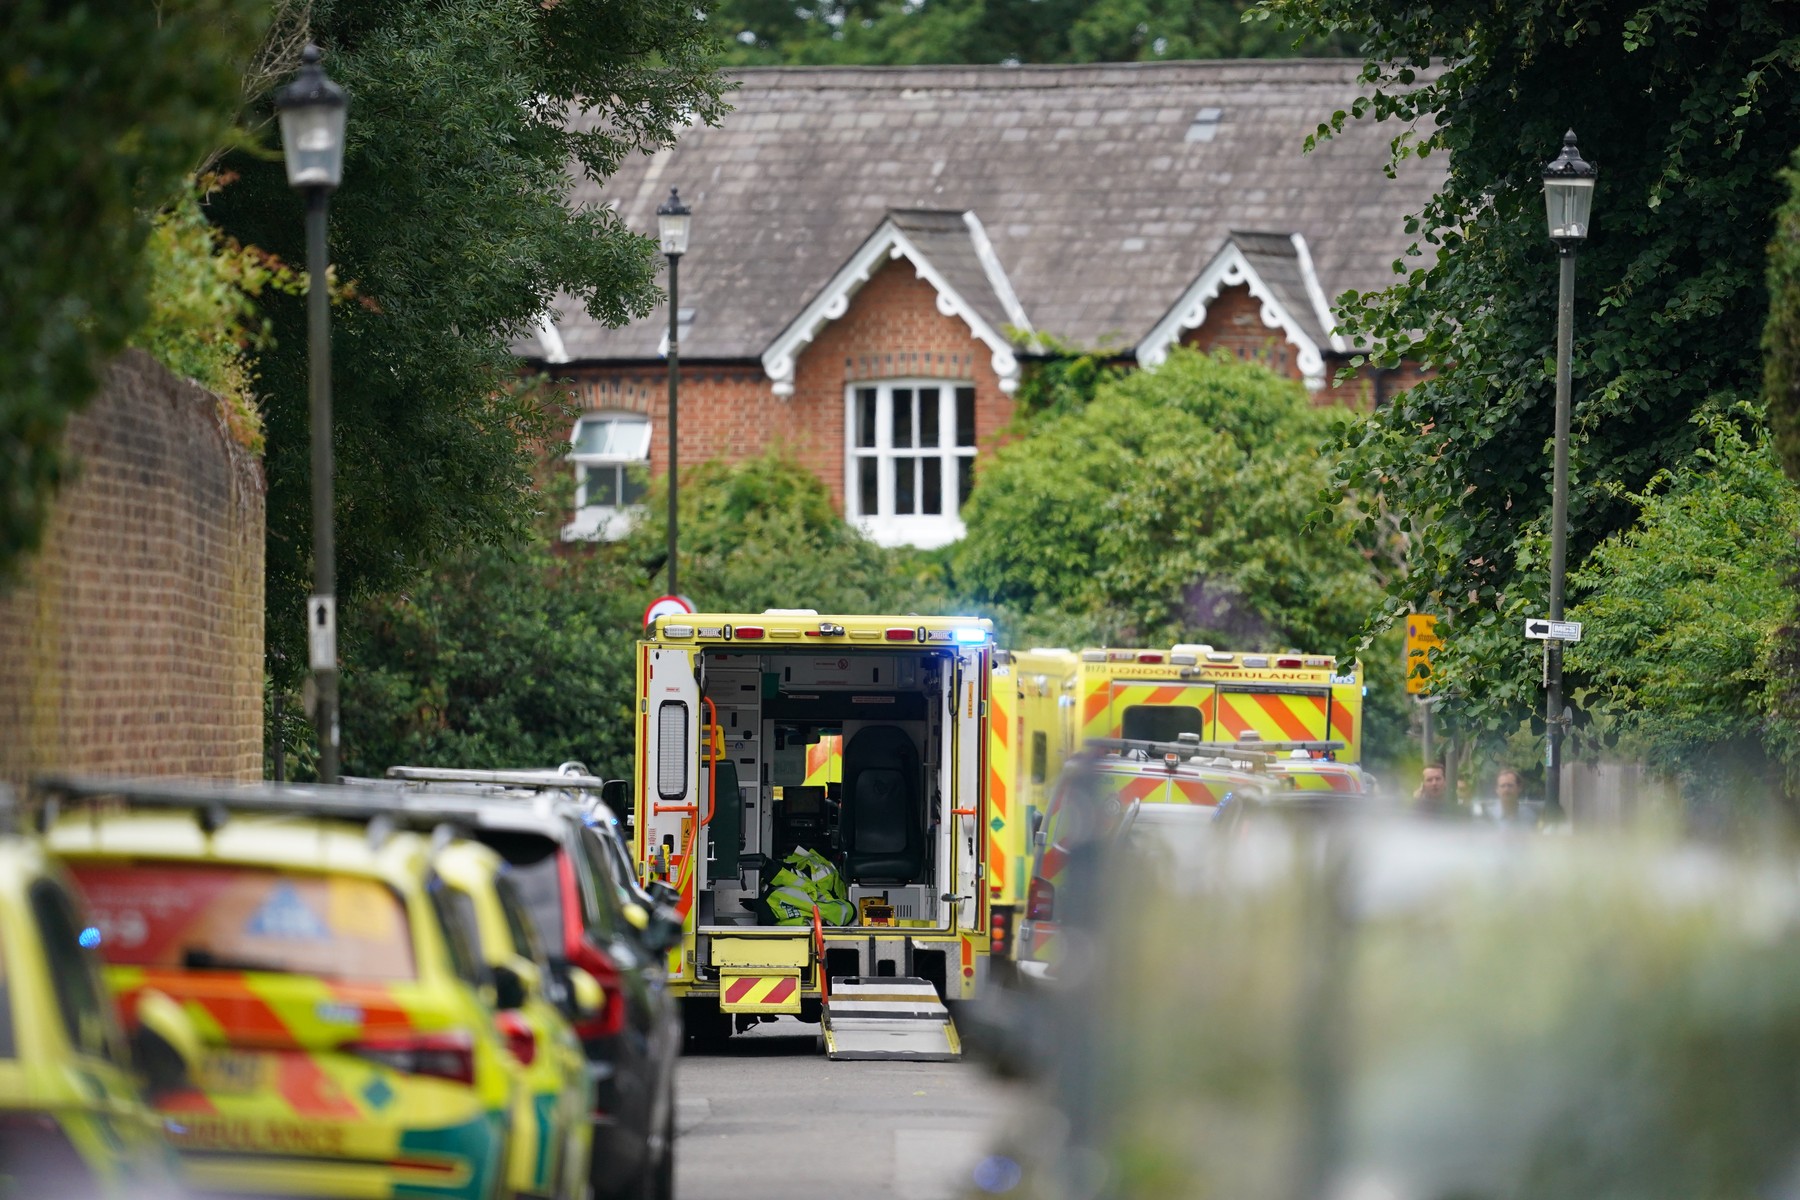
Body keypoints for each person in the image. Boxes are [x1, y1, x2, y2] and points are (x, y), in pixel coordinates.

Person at [1475, 768, 1540, 827]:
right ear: (1497, 789)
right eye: (1502, 786)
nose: (1506, 789)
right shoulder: (1487, 817)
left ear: (1519, 788)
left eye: (1510, 785)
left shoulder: (1530, 817)